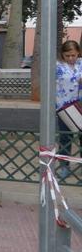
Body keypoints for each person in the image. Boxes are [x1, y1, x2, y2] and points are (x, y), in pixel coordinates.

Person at [55, 41, 81, 178]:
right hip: (64, 107)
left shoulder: (81, 64)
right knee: (65, 137)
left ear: (78, 53)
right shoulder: (57, 66)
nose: (71, 58)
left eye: (73, 55)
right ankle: (64, 167)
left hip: (80, 106)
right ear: (62, 55)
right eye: (67, 56)